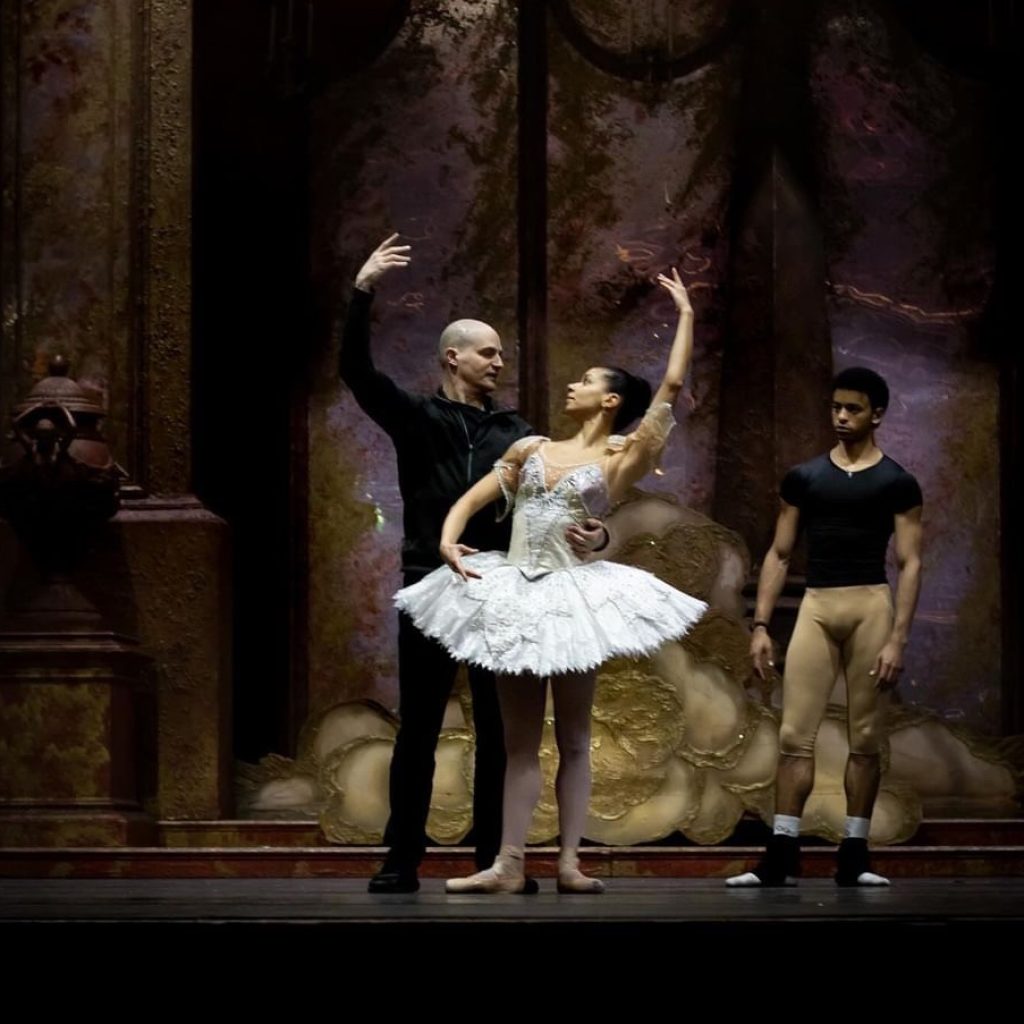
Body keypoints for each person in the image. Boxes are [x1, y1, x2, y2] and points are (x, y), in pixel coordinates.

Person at [395, 268, 708, 894]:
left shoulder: (619, 458)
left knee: (573, 736)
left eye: (587, 380)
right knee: (515, 741)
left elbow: (670, 386)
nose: (574, 383)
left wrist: (686, 314)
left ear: (611, 401)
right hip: (517, 589)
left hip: (571, 596)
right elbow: (474, 495)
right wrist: (447, 536)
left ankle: (568, 861)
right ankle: (509, 863)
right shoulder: (531, 448)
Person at [340, 235, 608, 894]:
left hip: (499, 588)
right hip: (430, 584)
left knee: (500, 730)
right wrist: (362, 291)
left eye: (502, 352)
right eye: (489, 352)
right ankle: (402, 857)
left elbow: (546, 502)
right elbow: (356, 373)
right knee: (421, 726)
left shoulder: (514, 432)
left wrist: (589, 536)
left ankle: (497, 857)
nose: (500, 360)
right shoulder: (417, 416)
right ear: (452, 357)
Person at [727, 367, 923, 888]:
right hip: (817, 603)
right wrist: (761, 624)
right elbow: (780, 552)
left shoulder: (897, 482)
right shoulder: (806, 477)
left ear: (876, 414)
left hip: (870, 606)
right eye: (835, 407)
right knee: (794, 735)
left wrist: (898, 637)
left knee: (864, 736)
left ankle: (854, 855)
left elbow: (911, 562)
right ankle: (782, 853)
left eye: (852, 408)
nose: (840, 416)